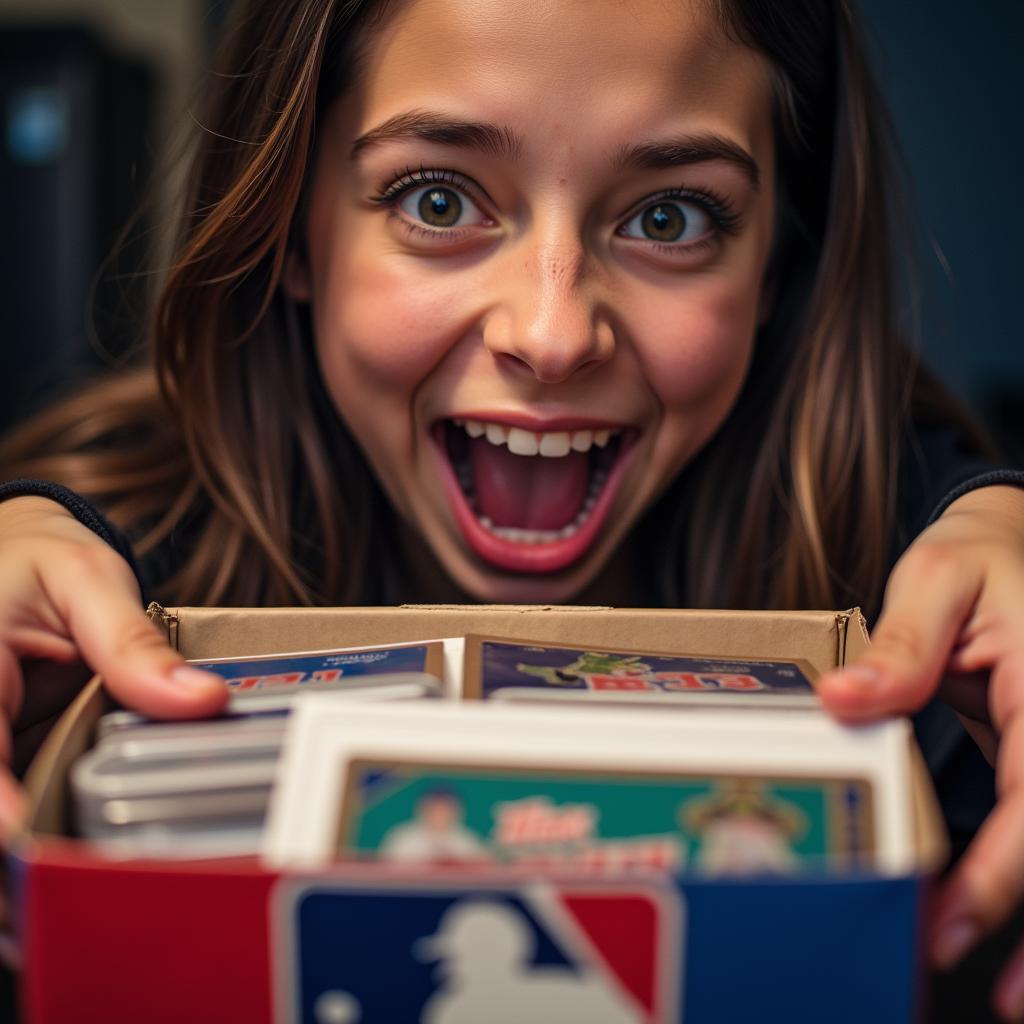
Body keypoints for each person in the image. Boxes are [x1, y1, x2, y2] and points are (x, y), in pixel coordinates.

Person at [0, 0, 1022, 1015]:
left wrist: (987, 512)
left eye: (669, 216)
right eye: (436, 201)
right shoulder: (94, 585)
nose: (552, 333)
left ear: (773, 271)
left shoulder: (927, 626)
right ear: (292, 234)